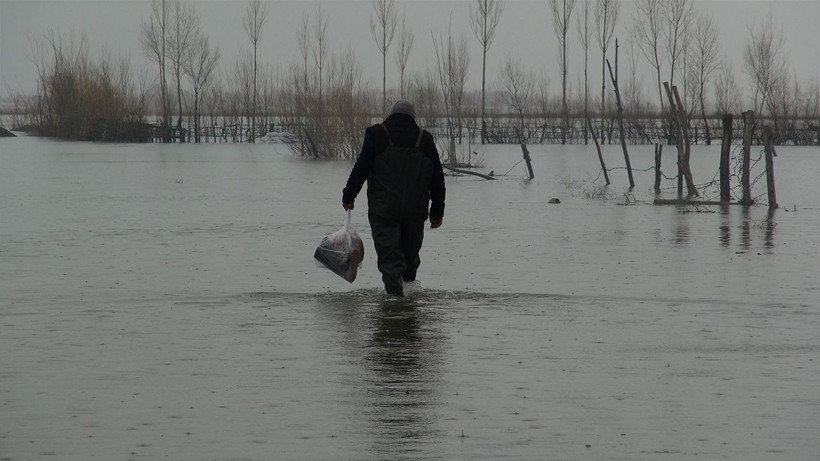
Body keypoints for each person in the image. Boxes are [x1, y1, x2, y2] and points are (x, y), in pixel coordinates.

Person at [342, 100, 446, 296]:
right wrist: (437, 212)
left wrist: (349, 196)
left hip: (384, 209)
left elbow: (361, 167)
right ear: (413, 118)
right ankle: (408, 307)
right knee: (410, 257)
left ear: (391, 114)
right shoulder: (424, 139)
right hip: (415, 210)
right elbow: (437, 177)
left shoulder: (377, 134)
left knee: (390, 256)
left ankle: (394, 304)